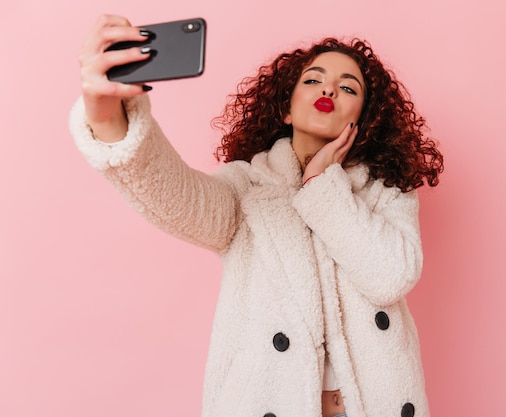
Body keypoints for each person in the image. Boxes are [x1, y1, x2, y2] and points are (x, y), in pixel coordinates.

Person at [70, 14, 444, 417]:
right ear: (286, 109)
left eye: (347, 87)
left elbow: (391, 276)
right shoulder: (247, 188)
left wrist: (321, 184)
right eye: (313, 80)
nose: (329, 89)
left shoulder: (386, 190)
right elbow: (173, 195)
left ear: (363, 119)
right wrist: (108, 118)